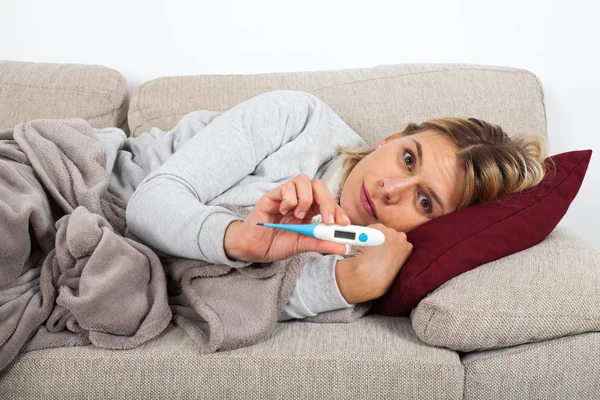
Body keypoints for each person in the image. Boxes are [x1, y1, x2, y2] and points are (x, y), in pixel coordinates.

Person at [124, 90, 547, 321]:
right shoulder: (298, 119)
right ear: (390, 138)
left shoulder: (366, 260)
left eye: (423, 201)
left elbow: (230, 306)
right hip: (102, 181)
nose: (390, 189)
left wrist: (344, 285)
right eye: (407, 158)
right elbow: (150, 201)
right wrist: (241, 240)